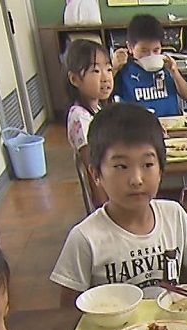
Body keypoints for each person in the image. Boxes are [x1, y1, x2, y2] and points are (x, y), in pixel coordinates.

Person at [51, 103, 187, 306]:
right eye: (121, 166)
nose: (136, 179)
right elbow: (69, 316)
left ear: (161, 170)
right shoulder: (85, 238)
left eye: (147, 165)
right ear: (96, 174)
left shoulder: (174, 215)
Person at [64, 38, 114, 207]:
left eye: (108, 69)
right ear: (74, 79)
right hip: (109, 198)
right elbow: (91, 168)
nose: (106, 77)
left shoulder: (97, 108)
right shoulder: (79, 117)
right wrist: (106, 208)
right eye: (95, 71)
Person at [111, 14, 187, 117]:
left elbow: (186, 95)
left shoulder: (166, 66)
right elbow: (103, 96)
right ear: (130, 47)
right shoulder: (124, 70)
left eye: (156, 50)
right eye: (144, 50)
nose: (150, 55)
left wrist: (175, 72)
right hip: (138, 127)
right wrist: (114, 69)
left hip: (171, 124)